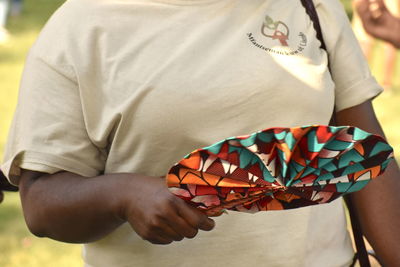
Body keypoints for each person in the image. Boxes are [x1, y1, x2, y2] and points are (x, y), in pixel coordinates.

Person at [1, 0, 400, 266]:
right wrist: (122, 195)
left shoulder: (307, 6)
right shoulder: (82, 25)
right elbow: (41, 202)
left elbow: (365, 155)